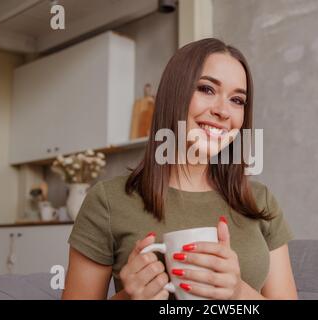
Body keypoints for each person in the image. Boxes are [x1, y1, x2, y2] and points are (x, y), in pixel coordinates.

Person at [62, 38, 297, 300]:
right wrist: (127, 298)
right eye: (207, 89)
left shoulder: (260, 200)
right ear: (174, 94)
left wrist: (239, 293)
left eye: (237, 100)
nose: (223, 111)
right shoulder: (107, 201)